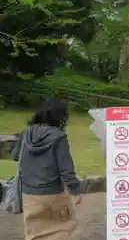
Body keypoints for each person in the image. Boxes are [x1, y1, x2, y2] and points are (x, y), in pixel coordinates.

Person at [11, 98, 82, 240]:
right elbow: (66, 170)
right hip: (53, 194)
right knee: (63, 230)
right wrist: (76, 191)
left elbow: (15, 156)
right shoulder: (59, 137)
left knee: (34, 234)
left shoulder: (26, 133)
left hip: (29, 194)